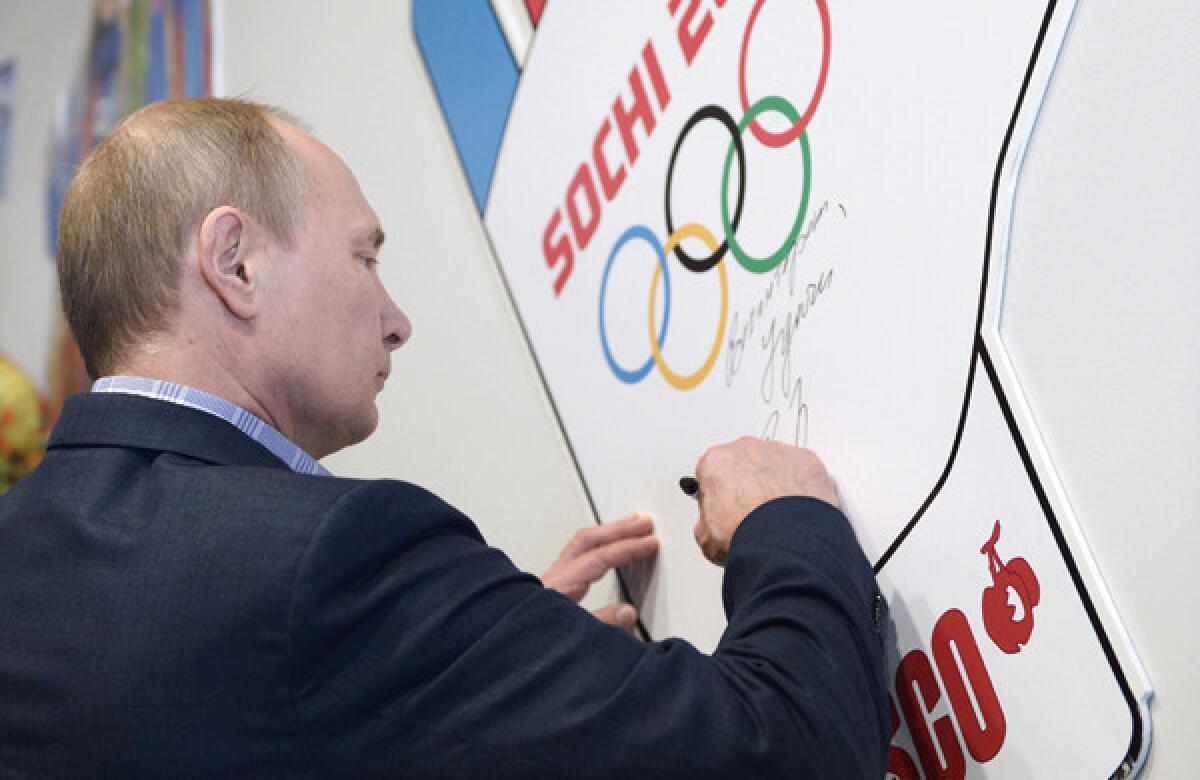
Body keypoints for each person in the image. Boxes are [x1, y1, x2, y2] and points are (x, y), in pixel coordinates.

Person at [0, 98, 889, 778]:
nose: (397, 323)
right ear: (235, 264)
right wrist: (788, 523)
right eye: (364, 258)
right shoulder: (328, 563)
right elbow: (785, 752)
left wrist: (459, 652)